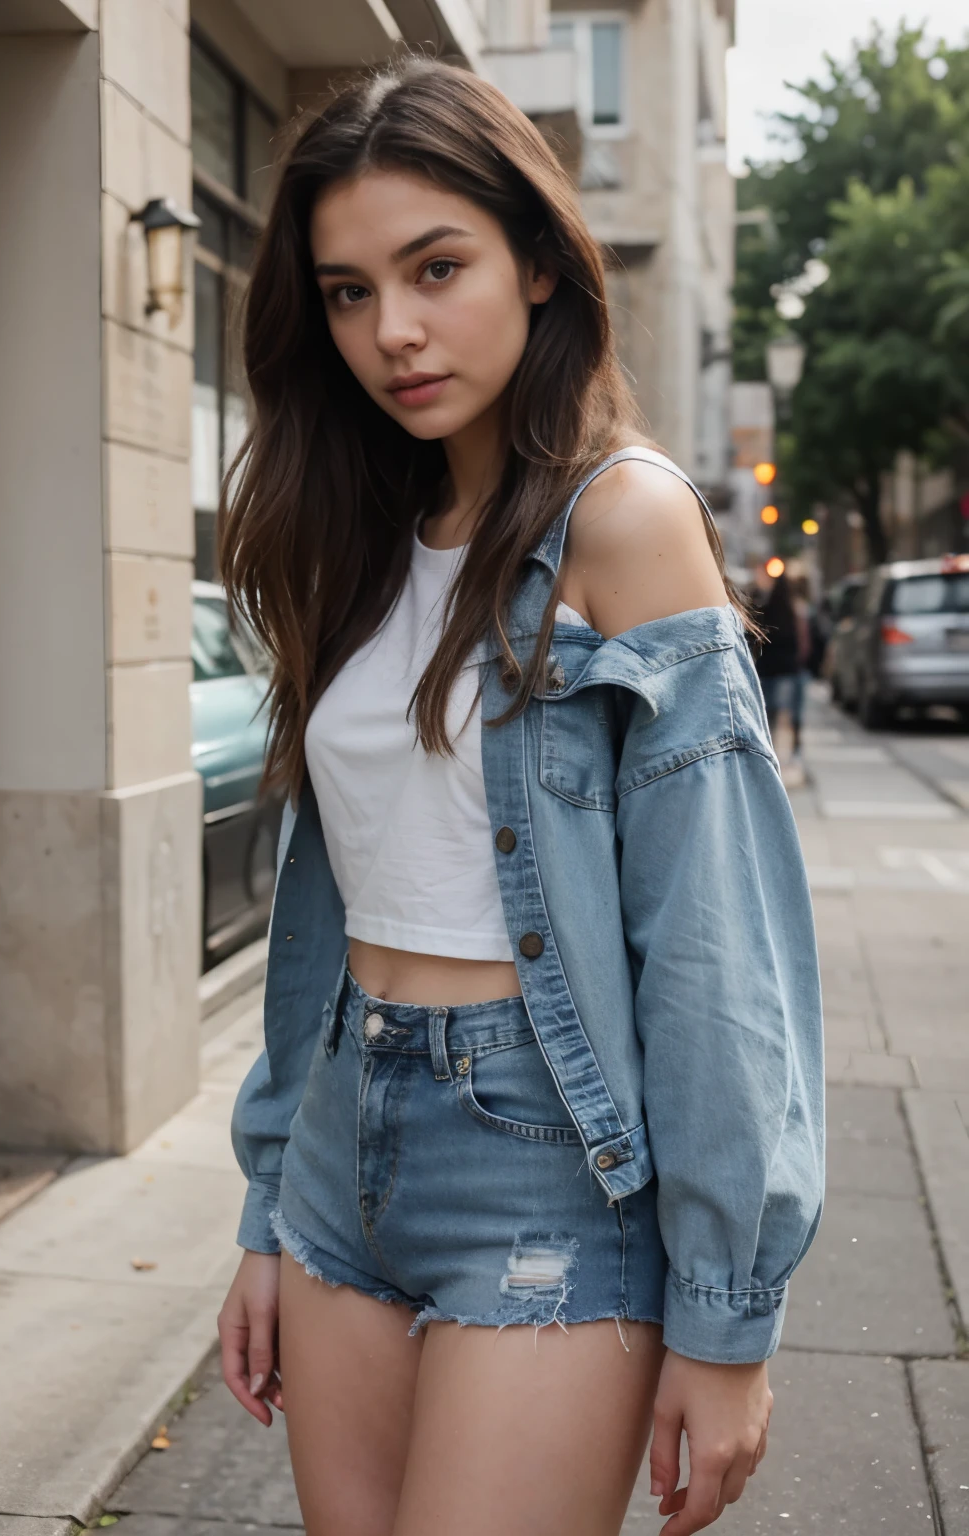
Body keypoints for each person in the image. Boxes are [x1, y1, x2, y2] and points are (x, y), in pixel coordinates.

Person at [216, 59, 824, 1536]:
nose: (393, 331)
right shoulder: (353, 536)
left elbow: (715, 940)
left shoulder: (624, 521)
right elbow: (329, 904)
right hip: (343, 1143)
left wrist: (726, 1319)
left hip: (545, 1154)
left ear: (543, 263)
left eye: (437, 268)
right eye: (348, 292)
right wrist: (265, 1208)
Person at [752, 571, 809, 756]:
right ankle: (795, 751)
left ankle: (769, 749)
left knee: (769, 714)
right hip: (788, 669)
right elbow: (804, 643)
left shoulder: (767, 610)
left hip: (766, 669)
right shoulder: (796, 611)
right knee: (792, 712)